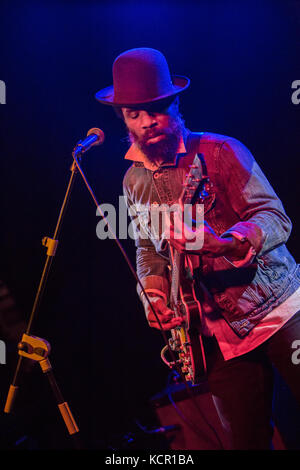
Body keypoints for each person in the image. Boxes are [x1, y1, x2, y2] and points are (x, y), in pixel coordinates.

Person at [95, 48, 300, 449]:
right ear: (123, 118)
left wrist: (223, 243)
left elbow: (275, 219)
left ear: (174, 104)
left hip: (278, 308)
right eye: (134, 115)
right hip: (217, 335)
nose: (147, 123)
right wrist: (152, 293)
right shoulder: (132, 182)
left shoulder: (221, 152)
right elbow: (148, 250)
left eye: (155, 110)